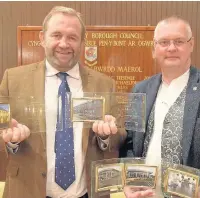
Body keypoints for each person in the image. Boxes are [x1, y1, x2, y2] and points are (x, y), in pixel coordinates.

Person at [0, 6, 126, 198]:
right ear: (42, 38)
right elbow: (1, 128)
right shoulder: (13, 79)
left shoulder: (104, 84)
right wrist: (11, 140)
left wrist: (106, 136)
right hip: (28, 190)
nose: (64, 44)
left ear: (82, 42)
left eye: (72, 37)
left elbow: (121, 135)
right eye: (56, 35)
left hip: (87, 193)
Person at [120, 16, 200, 198]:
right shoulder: (140, 90)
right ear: (154, 49)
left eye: (179, 41)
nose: (171, 48)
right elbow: (130, 143)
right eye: (164, 42)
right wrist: (129, 183)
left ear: (191, 45)